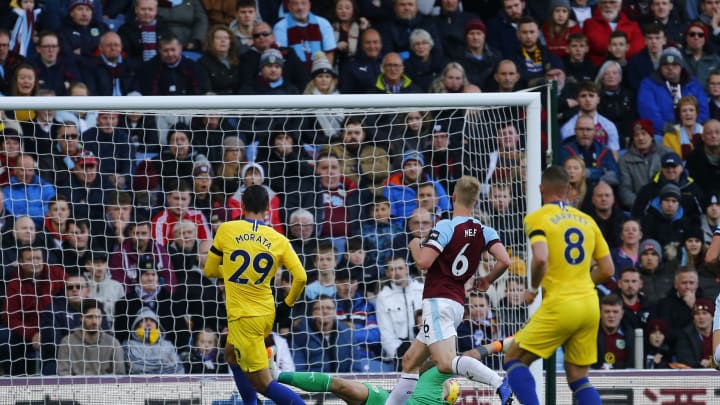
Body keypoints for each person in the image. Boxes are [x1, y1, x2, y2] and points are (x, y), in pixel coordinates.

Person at [385, 176, 512, 405]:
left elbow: (424, 263)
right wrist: (487, 280)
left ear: (453, 197)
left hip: (437, 300)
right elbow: (504, 260)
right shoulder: (484, 230)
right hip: (455, 304)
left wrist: (415, 246)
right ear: (475, 201)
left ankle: (499, 382)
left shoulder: (446, 226)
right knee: (410, 361)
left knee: (445, 362)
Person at [504, 165, 614, 405]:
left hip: (561, 305)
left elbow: (541, 258)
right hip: (589, 306)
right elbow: (608, 269)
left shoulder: (538, 218)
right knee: (578, 377)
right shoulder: (587, 221)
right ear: (569, 190)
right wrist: (583, 281)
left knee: (514, 358)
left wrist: (532, 289)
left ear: (541, 188)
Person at [203, 184, 307, 405]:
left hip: (244, 317)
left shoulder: (226, 230)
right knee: (230, 353)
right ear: (268, 208)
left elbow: (210, 270)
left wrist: (231, 272)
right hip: (265, 313)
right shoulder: (279, 239)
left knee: (263, 384)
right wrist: (286, 307)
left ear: (241, 205)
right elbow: (301, 278)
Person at [278, 340, 505, 405]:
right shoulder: (434, 375)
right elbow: (470, 355)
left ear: (449, 398)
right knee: (343, 386)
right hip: (384, 400)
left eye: (451, 386)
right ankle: (279, 376)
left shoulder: (440, 396)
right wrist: (500, 344)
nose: (450, 380)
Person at [56, 298, 126, 376]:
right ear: (81, 318)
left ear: (102, 318)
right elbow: (63, 374)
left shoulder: (113, 343)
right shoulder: (67, 342)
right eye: (90, 317)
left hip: (105, 386)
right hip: (76, 387)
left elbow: (120, 375)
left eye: (98, 317)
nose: (94, 321)